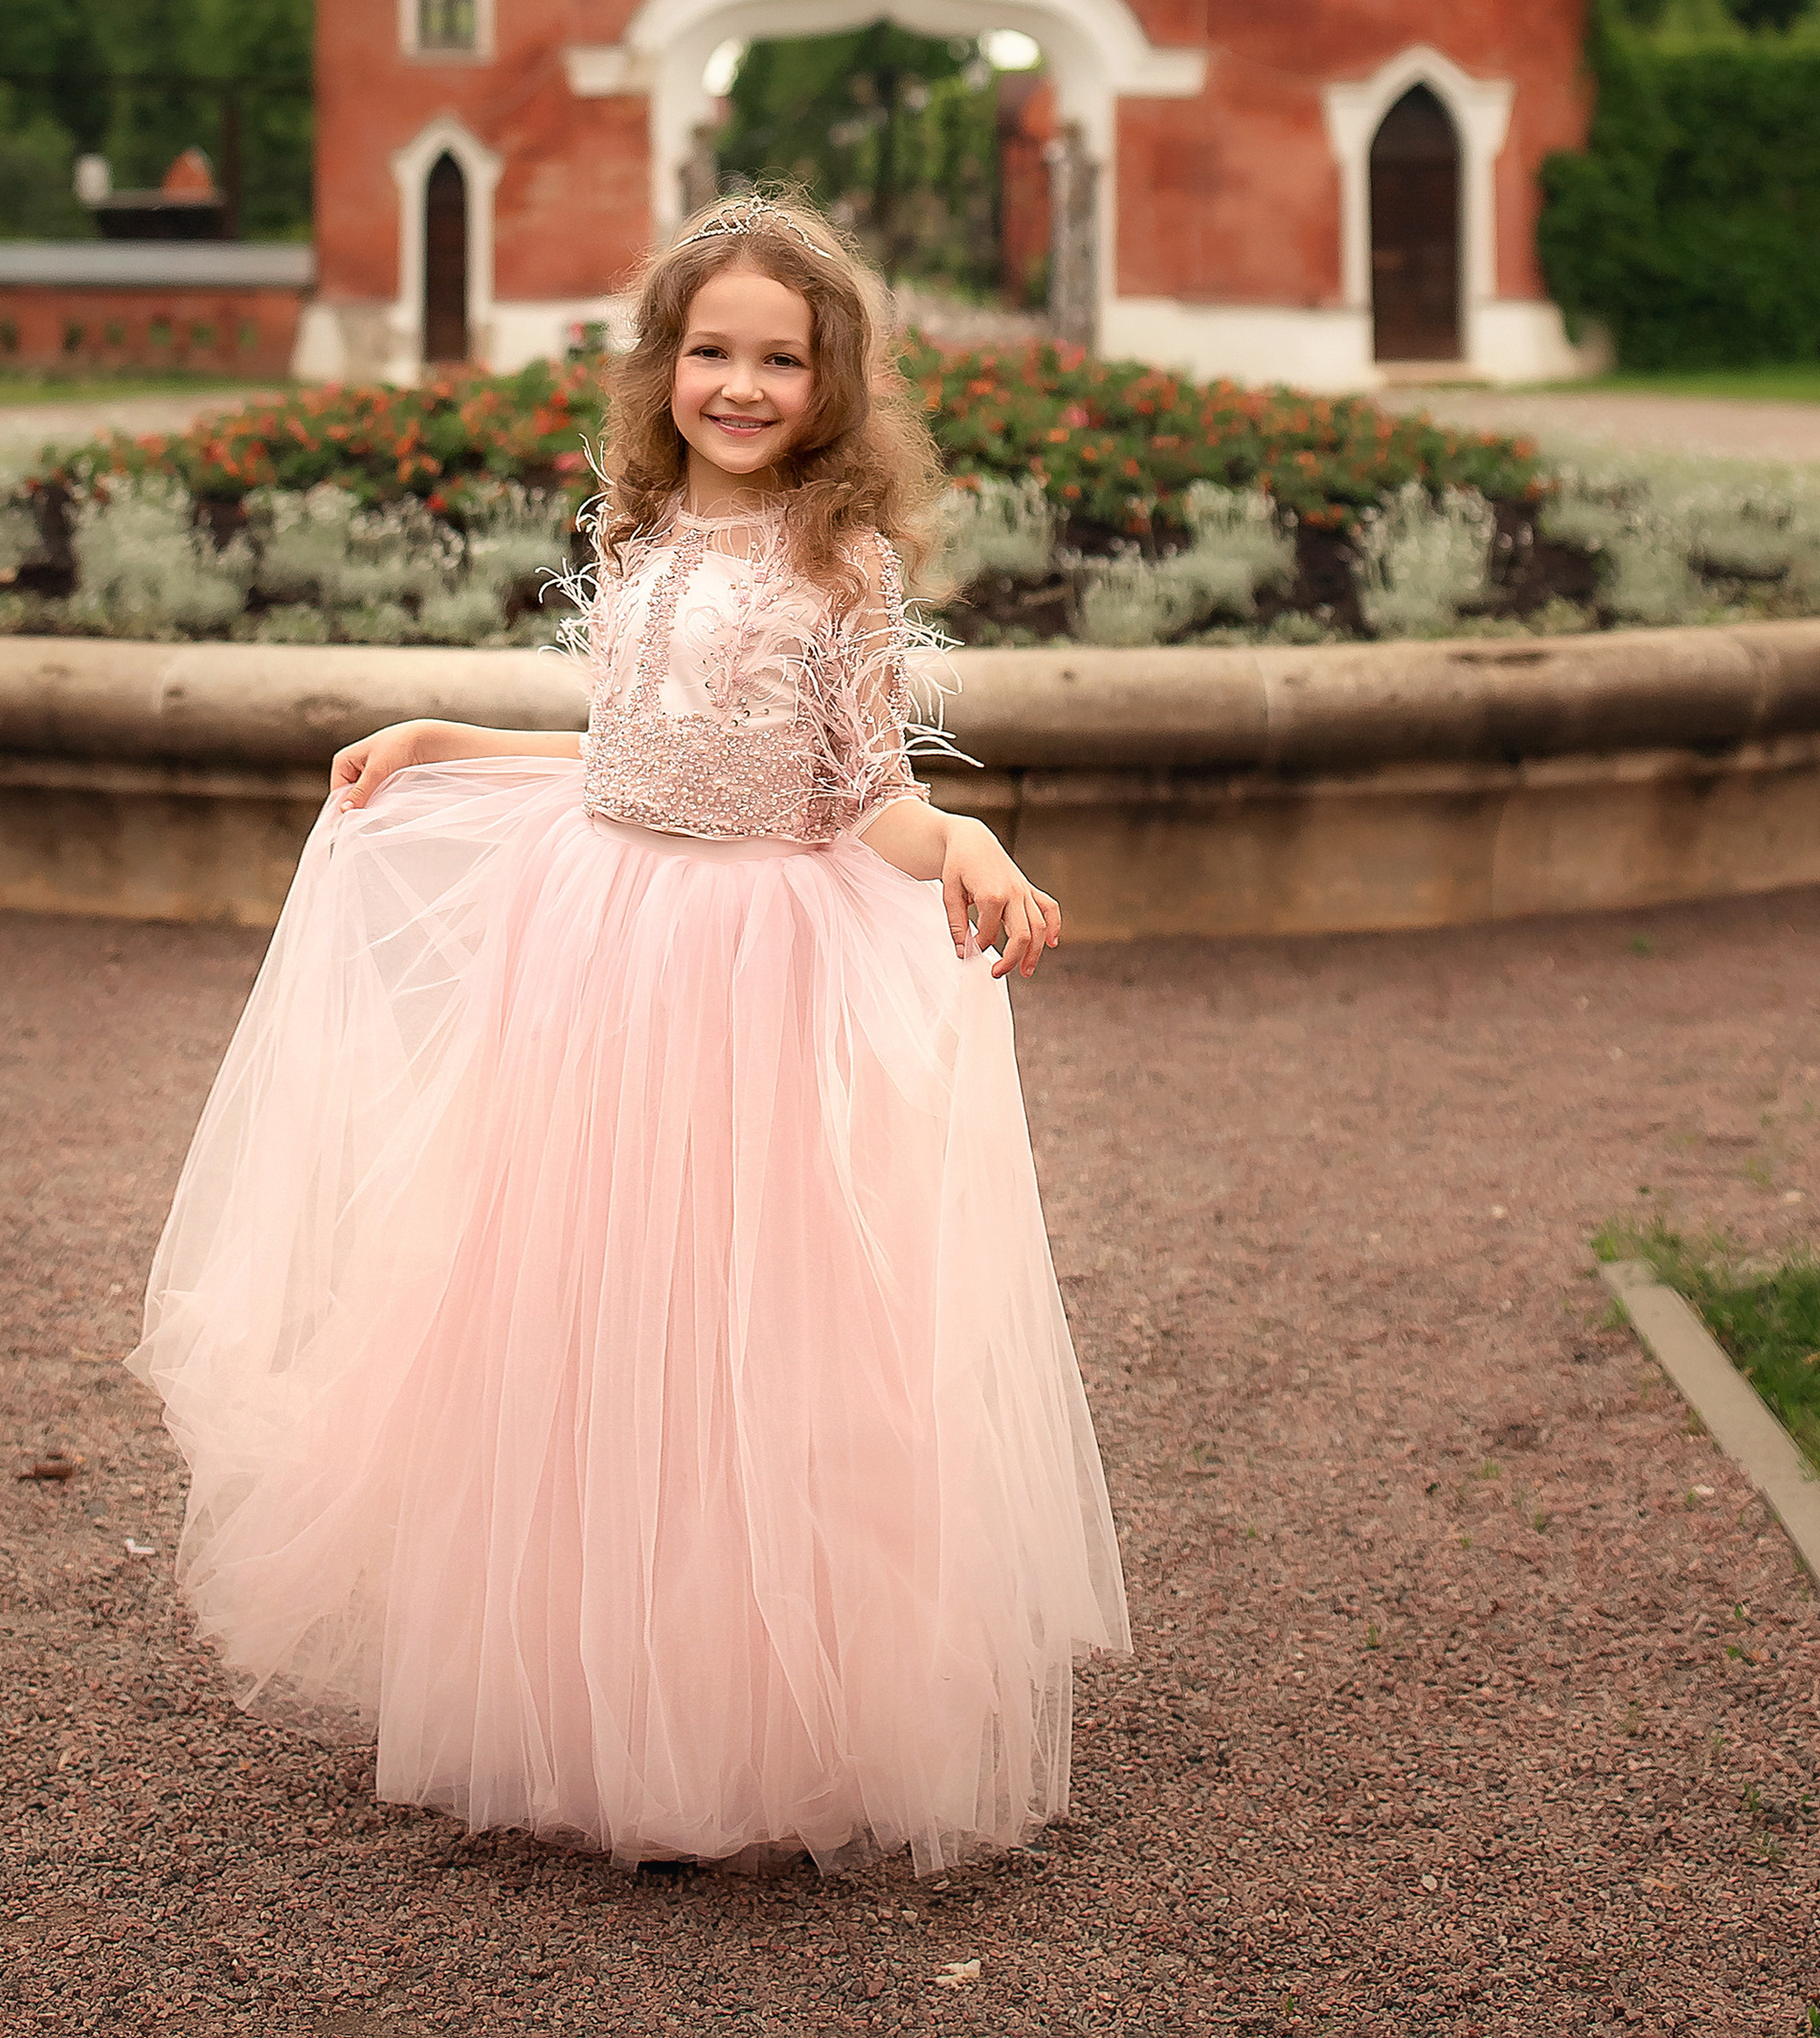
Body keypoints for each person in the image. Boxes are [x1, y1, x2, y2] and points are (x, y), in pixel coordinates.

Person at [129, 190, 1130, 1874]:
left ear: (834, 382)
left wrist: (969, 840)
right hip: (596, 941)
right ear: (664, 364)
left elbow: (861, 795)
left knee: (742, 1321)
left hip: (746, 965)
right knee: (575, 1308)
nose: (741, 384)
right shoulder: (640, 533)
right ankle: (571, 1691)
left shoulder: (841, 564)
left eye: (780, 358)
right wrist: (450, 731)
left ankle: (743, 1708)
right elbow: (627, 750)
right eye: (711, 350)